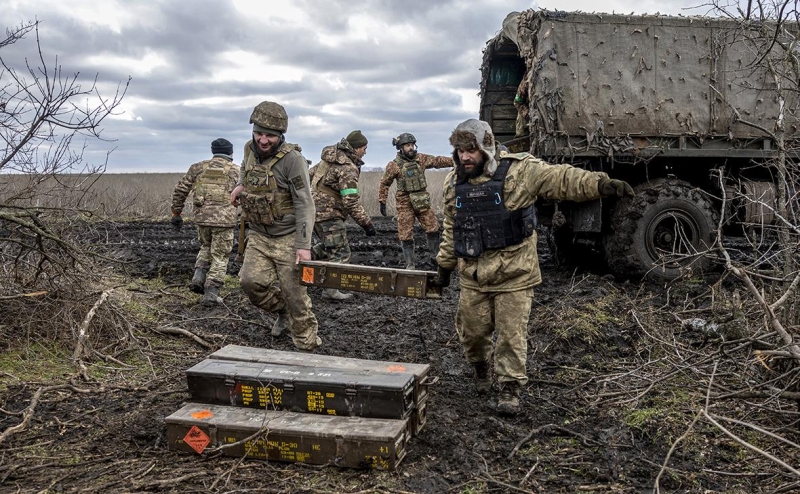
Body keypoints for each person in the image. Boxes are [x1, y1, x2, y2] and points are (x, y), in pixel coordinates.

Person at [432, 119, 634, 416]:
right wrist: (444, 266)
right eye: (460, 150)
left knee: (511, 335)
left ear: (485, 147)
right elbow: (452, 227)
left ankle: (510, 388)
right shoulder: (454, 183)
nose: (465, 157)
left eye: (471, 150)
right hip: (473, 276)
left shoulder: (520, 171)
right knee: (472, 335)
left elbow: (561, 179)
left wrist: (600, 184)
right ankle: (480, 369)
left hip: (515, 273)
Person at [229, 101, 321, 350]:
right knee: (250, 284)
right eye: (259, 133)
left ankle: (307, 346)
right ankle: (282, 311)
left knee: (297, 297)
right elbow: (244, 169)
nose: (263, 140)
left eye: (269, 135)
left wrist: (303, 246)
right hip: (259, 234)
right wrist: (240, 185)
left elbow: (305, 204)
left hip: (288, 237)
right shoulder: (249, 148)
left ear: (280, 135)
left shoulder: (293, 160)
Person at [309, 130, 377, 301]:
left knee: (328, 246)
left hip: (312, 212)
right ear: (355, 149)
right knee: (341, 251)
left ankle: (301, 263)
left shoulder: (327, 160)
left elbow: (309, 176)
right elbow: (351, 201)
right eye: (364, 148)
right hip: (329, 215)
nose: (365, 152)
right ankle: (331, 291)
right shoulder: (348, 168)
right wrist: (366, 224)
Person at [171, 138, 240, 304]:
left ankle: (198, 278)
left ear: (213, 151)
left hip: (202, 219)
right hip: (224, 221)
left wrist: (176, 213)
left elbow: (181, 189)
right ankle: (211, 293)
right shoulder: (236, 170)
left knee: (206, 246)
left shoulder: (197, 168)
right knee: (220, 256)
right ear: (230, 153)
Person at [378, 133, 454, 269]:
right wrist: (382, 201)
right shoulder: (394, 165)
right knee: (405, 234)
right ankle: (410, 264)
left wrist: (455, 161)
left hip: (421, 200)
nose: (411, 148)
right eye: (408, 145)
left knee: (433, 228)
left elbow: (437, 161)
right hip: (404, 203)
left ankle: (435, 258)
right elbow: (384, 183)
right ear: (401, 148)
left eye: (412, 145)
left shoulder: (421, 159)